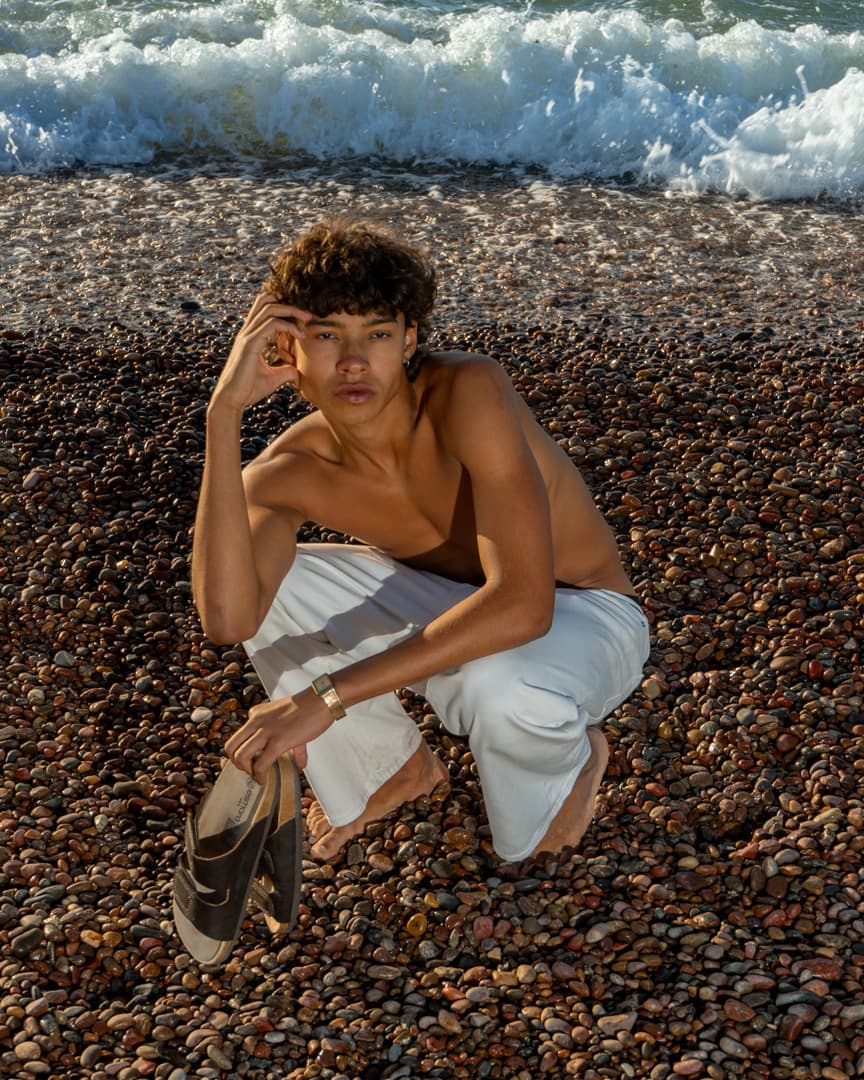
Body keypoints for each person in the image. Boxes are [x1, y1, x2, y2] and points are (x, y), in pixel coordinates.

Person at [191, 217, 649, 865]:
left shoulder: (468, 391)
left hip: (582, 615)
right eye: (327, 336)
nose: (354, 361)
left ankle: (564, 774)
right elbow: (229, 617)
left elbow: (524, 605)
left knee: (500, 686)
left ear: (408, 340)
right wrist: (223, 412)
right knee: (270, 583)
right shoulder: (289, 469)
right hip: (449, 604)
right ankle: (386, 772)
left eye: (377, 334)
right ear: (286, 349)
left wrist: (323, 698)